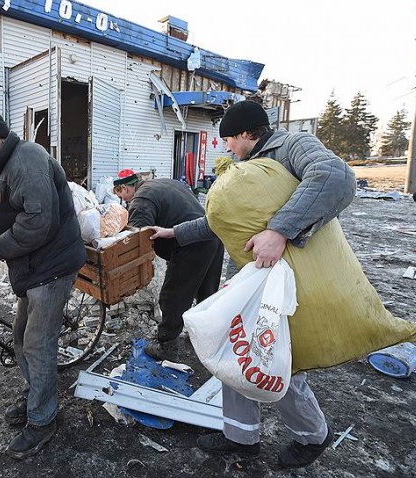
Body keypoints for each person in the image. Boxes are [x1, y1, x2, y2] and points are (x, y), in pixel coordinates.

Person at [149, 100, 356, 469]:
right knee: (236, 348)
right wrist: (174, 232)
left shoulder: (292, 146)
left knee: (277, 357)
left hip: (287, 281)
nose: (225, 146)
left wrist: (280, 229)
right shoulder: (248, 164)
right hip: (252, 278)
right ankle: (240, 437)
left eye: (228, 138)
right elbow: (223, 219)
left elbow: (334, 176)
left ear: (247, 133)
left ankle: (313, 435)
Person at [0, 110, 86, 460]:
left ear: (0, 136)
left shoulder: (27, 161)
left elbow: (37, 221)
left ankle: (43, 420)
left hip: (53, 265)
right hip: (34, 266)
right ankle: (37, 395)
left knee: (37, 343)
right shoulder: (2, 167)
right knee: (20, 337)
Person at [112, 169, 224, 362]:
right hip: (211, 235)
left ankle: (168, 347)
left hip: (189, 245)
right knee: (207, 294)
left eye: (120, 194)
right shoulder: (162, 183)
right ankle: (207, 340)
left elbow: (138, 237)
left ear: (125, 188)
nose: (123, 200)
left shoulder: (141, 200)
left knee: (173, 296)